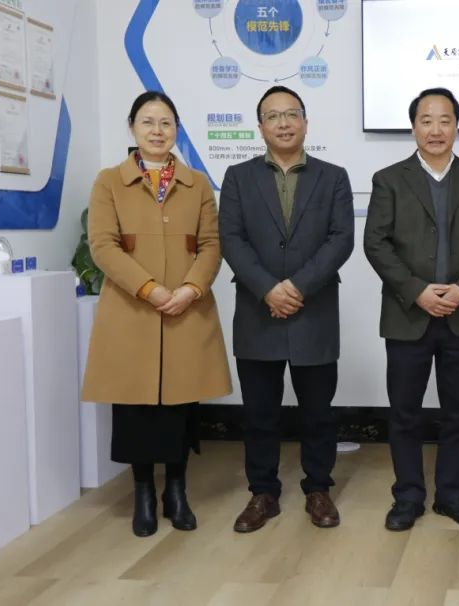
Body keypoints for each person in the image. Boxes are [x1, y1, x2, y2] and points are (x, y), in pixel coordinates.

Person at [82, 91, 232, 537]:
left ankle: (177, 491)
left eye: (166, 123)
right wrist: (149, 289)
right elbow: (103, 246)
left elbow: (211, 245)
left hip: (186, 310)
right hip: (132, 312)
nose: (157, 131)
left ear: (177, 130)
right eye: (147, 122)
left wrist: (190, 288)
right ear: (132, 127)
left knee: (181, 407)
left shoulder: (197, 184)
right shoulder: (109, 182)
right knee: (135, 409)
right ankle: (143, 492)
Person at [219, 85, 355, 532]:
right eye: (273, 116)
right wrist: (267, 290)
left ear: (305, 123)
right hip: (257, 312)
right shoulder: (238, 177)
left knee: (319, 411)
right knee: (259, 413)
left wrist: (296, 287)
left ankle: (318, 489)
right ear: (260, 127)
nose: (283, 123)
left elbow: (341, 239)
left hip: (314, 310)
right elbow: (231, 240)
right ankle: (263, 492)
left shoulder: (333, 177)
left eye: (291, 114)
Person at [364, 87, 459, 532]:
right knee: (404, 413)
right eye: (426, 120)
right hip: (408, 315)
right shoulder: (389, 179)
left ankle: (453, 495)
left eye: (445, 120)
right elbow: (376, 244)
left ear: (457, 126)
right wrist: (417, 290)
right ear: (413, 128)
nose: (436, 129)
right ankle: (407, 497)